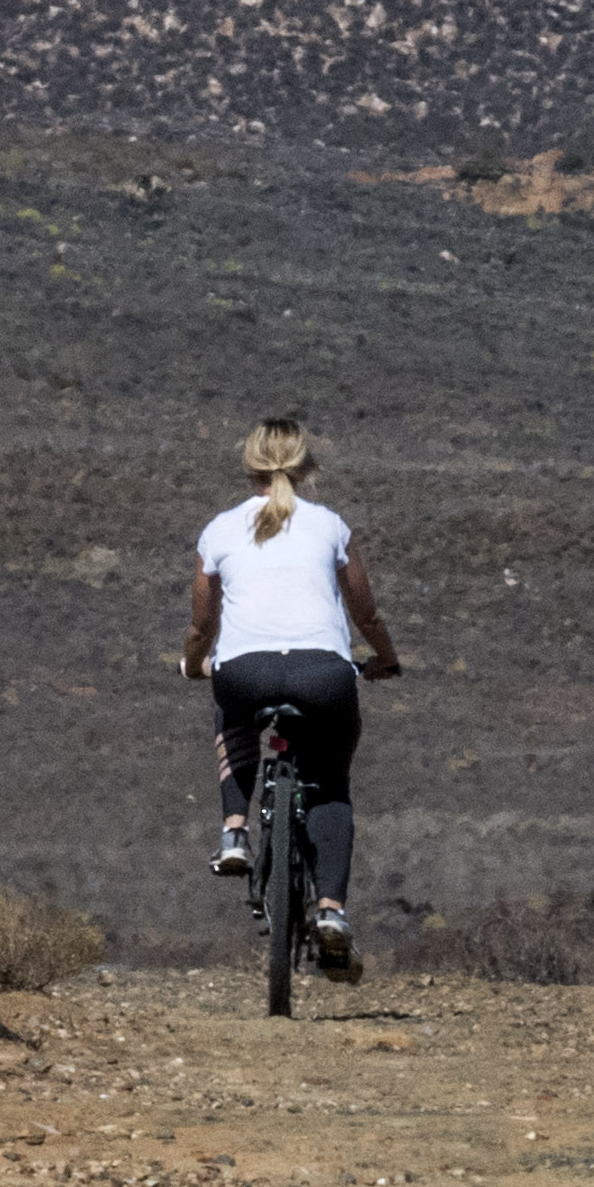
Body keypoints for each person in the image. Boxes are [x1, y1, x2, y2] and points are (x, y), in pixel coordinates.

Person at [182, 410, 411, 972]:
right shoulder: (330, 526)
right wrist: (386, 658)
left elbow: (200, 624)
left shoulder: (219, 529)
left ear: (249, 468)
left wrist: (194, 664)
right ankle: (331, 910)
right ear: (306, 466)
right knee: (329, 786)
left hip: (245, 670)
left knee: (232, 715)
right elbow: (365, 610)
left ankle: (235, 833)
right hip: (324, 673)